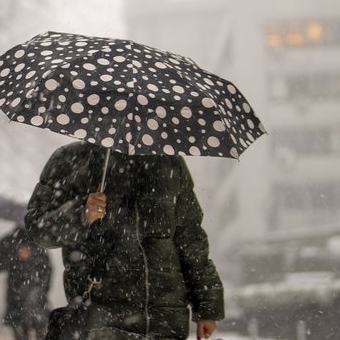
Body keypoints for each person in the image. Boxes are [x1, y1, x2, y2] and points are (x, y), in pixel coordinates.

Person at [25, 141, 224, 340]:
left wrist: (207, 307)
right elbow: (38, 228)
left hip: (166, 320)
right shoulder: (72, 159)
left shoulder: (170, 162)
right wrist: (80, 214)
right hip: (101, 319)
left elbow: (191, 239)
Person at [0, 226, 51, 340]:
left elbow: (47, 270)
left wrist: (41, 289)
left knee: (40, 331)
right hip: (16, 297)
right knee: (21, 333)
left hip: (35, 298)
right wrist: (15, 256)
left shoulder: (39, 241)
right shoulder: (7, 241)